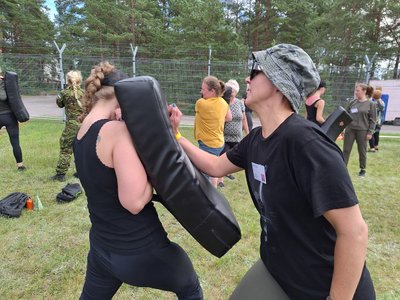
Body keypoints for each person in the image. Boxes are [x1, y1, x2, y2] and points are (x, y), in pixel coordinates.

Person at [169, 44, 375, 300]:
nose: (247, 78)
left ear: (279, 83)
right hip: (279, 268)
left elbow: (354, 232)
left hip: (323, 284)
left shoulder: (306, 144)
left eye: (255, 71)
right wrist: (175, 134)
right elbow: (214, 165)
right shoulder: (256, 139)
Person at [73, 61, 203, 300]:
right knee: (190, 288)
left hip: (102, 247)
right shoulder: (116, 132)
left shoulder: (81, 131)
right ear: (121, 98)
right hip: (139, 248)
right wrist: (153, 172)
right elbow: (133, 202)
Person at [194, 75, 232, 187]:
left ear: (212, 91)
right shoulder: (223, 103)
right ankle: (214, 192)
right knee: (213, 170)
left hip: (208, 144)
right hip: (219, 142)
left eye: (203, 89)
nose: (201, 92)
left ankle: (207, 197)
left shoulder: (201, 103)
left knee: (205, 175)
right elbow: (229, 117)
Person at [51, 70, 84, 181]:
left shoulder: (64, 93)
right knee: (81, 148)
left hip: (72, 125)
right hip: (84, 125)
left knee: (66, 148)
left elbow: (59, 104)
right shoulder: (84, 93)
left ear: (68, 80)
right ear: (80, 80)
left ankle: (60, 174)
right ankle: (81, 172)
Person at [217, 79, 249, 188]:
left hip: (237, 137)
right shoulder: (222, 102)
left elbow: (244, 119)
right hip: (224, 136)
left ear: (236, 92)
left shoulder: (240, 103)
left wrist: (247, 132)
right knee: (222, 156)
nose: (231, 94)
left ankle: (228, 173)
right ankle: (220, 180)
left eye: (233, 92)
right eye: (229, 91)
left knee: (234, 158)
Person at [343, 83, 377, 177]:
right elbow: (345, 115)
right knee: (346, 150)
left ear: (364, 91)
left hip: (363, 131)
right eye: (356, 90)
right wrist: (342, 127)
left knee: (362, 150)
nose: (356, 92)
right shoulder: (352, 102)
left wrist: (370, 132)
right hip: (350, 130)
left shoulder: (371, 104)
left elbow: (373, 119)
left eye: (358, 90)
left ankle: (362, 169)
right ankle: (343, 168)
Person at [0, 68, 26, 171]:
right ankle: (20, 166)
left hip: (9, 116)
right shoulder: (5, 82)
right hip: (9, 116)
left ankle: (20, 165)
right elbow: (3, 96)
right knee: (15, 141)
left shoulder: (4, 82)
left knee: (15, 142)